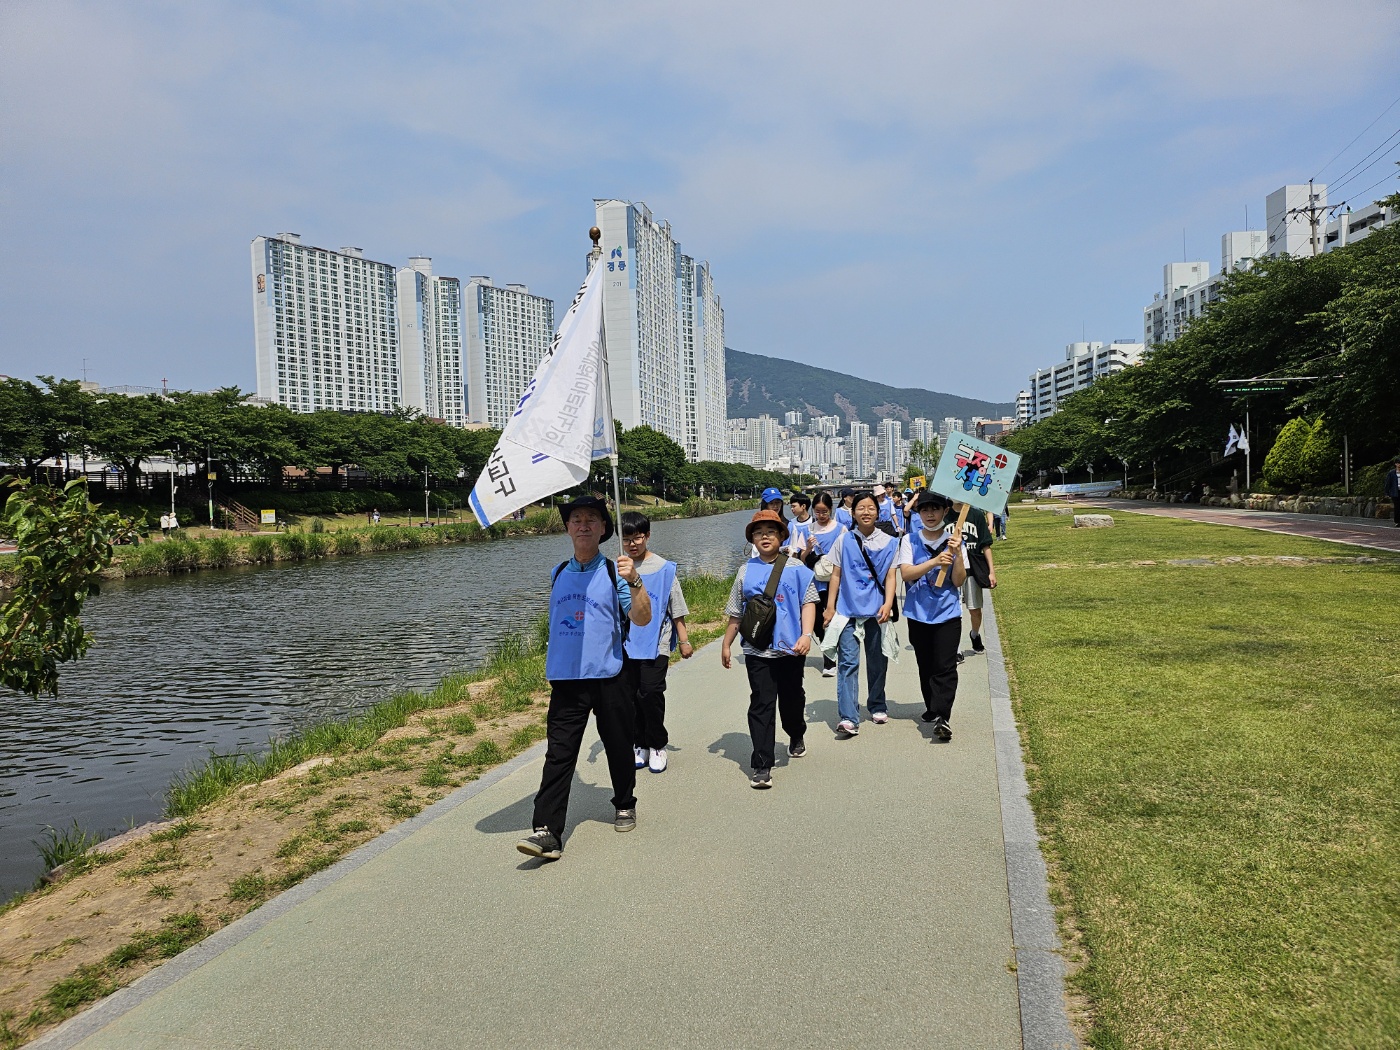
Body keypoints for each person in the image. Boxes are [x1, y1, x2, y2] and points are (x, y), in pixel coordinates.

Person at [517, 496, 652, 862]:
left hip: (610, 675)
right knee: (559, 754)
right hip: (566, 679)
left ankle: (624, 802)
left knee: (618, 745)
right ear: (567, 528)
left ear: (603, 528)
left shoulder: (614, 571)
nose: (583, 525)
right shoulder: (558, 572)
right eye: (576, 519)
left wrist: (635, 580)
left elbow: (642, 618)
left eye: (591, 519)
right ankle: (547, 830)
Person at [721, 510, 819, 788]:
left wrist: (806, 635)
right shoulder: (745, 570)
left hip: (790, 649)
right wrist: (726, 644)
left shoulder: (797, 568)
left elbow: (808, 603)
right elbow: (736, 612)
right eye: (759, 532)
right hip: (757, 650)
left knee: (791, 699)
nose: (765, 537)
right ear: (752, 538)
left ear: (781, 536)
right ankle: (762, 763)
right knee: (761, 703)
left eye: (771, 532)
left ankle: (796, 733)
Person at [619, 511, 693, 775]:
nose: (632, 544)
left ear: (647, 536)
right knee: (631, 697)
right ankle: (640, 743)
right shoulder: (618, 569)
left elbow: (676, 608)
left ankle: (657, 744)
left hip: (656, 642)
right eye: (626, 539)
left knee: (650, 694)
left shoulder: (664, 568)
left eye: (637, 538)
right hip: (627, 644)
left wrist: (684, 640)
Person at [823, 491, 898, 736]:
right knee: (847, 663)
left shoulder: (890, 542)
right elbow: (835, 575)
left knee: (877, 661)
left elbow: (890, 576)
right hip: (847, 611)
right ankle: (848, 716)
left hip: (877, 610)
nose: (866, 512)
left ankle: (877, 704)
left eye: (871, 508)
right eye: (860, 508)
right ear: (852, 513)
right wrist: (830, 607)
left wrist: (888, 603)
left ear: (878, 512)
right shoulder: (844, 540)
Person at [899, 491, 967, 742]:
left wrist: (957, 556)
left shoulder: (955, 541)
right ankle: (932, 706)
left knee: (945, 666)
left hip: (947, 613)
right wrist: (935, 561)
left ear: (945, 512)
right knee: (925, 664)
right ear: (918, 512)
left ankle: (943, 716)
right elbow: (906, 573)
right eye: (924, 509)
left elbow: (958, 581)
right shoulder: (909, 540)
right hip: (918, 613)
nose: (930, 514)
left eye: (935, 509)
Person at [948, 503, 996, 655]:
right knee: (953, 611)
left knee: (975, 609)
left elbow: (985, 545)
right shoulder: (944, 513)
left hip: (973, 568)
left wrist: (991, 571)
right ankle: (955, 648)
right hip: (950, 570)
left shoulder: (976, 514)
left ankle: (975, 634)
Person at [808, 492, 846, 678]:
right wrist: (808, 549)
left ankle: (829, 661)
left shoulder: (841, 529)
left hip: (835, 581)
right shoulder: (808, 529)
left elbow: (847, 555)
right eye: (817, 511)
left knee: (831, 619)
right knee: (817, 622)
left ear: (831, 509)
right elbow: (800, 557)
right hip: (813, 581)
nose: (821, 515)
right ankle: (830, 651)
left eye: (824, 511)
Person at [785, 491, 814, 556]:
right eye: (791, 507)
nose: (792, 509)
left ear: (803, 506)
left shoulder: (814, 522)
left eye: (794, 506)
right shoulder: (791, 523)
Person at [1386, 456, 1400, 527]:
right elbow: (1388, 483)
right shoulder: (1391, 473)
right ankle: (1397, 521)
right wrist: (1387, 492)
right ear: (1395, 464)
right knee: (1397, 507)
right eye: (1398, 463)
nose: (1399, 465)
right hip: (1395, 492)